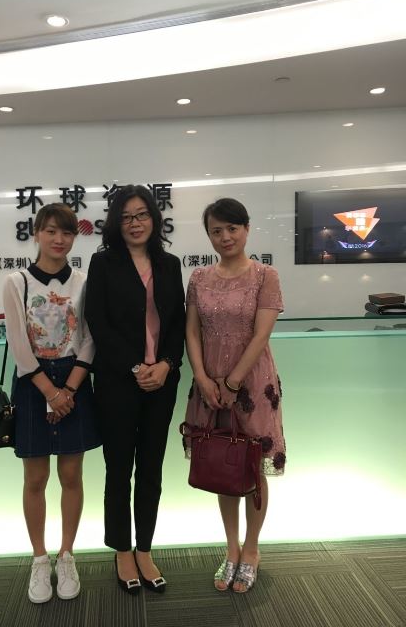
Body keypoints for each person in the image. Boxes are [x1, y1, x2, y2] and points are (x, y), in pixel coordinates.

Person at [85, 184, 185, 595]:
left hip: (162, 381)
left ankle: (145, 548)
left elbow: (178, 322)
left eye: (142, 214)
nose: (135, 223)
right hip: (117, 382)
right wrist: (135, 366)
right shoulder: (103, 263)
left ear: (154, 219)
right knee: (119, 469)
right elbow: (97, 321)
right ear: (116, 223)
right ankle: (122, 549)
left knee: (151, 468)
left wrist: (166, 364)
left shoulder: (169, 264)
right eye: (126, 217)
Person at [184, 198, 285, 594]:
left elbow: (262, 334)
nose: (225, 237)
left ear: (246, 229)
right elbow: (192, 331)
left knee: (252, 465)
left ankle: (252, 549)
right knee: (221, 460)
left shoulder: (265, 275)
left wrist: (232, 383)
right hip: (208, 383)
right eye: (216, 231)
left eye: (232, 228)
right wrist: (202, 377)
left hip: (252, 383)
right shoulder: (198, 277)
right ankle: (231, 549)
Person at [3, 203, 101, 604]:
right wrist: (51, 393)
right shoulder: (17, 282)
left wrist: (70, 390)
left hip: (74, 380)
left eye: (67, 233)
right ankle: (40, 559)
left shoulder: (84, 281)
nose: (59, 240)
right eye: (51, 231)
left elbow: (90, 339)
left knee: (72, 475)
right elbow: (18, 344)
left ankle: (67, 555)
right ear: (37, 234)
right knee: (35, 478)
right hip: (33, 384)